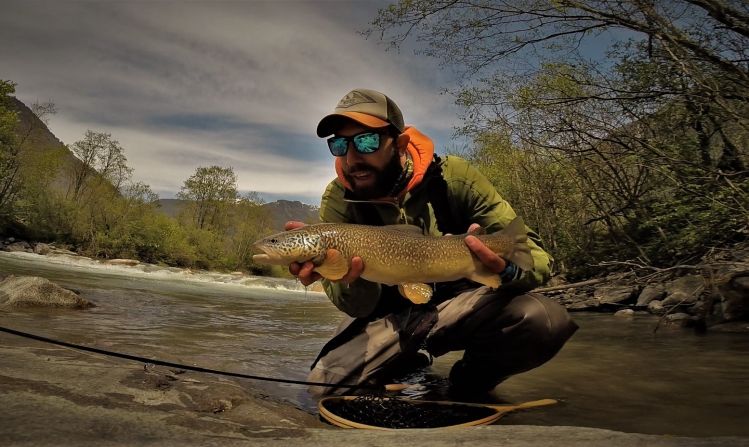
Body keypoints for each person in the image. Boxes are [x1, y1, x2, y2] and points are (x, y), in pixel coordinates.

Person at [286, 88, 578, 396]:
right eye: (340, 144)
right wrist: (349, 278)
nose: (352, 157)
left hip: (462, 303)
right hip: (389, 315)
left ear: (399, 144)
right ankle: (408, 359)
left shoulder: (453, 177)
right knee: (326, 389)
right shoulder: (338, 201)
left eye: (366, 141)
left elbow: (532, 252)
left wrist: (506, 271)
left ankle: (468, 386)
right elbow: (356, 307)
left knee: (543, 321)